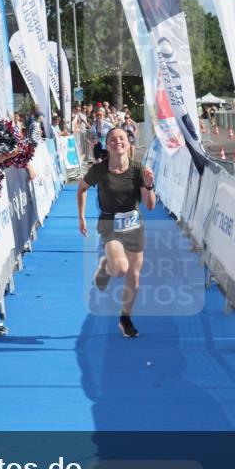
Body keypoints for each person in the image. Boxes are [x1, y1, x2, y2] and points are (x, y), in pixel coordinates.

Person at [77, 127, 156, 338]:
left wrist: (149, 186)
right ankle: (107, 266)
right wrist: (81, 216)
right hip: (110, 223)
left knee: (134, 277)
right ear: (107, 144)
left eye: (121, 138)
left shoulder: (138, 169)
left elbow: (149, 205)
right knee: (120, 269)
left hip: (134, 225)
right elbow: (82, 188)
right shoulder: (99, 170)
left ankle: (125, 318)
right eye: (112, 139)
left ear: (129, 144)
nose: (117, 142)